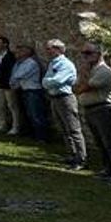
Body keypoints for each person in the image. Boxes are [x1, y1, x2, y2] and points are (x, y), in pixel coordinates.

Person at [75, 42, 111, 185]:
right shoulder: (91, 70)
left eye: (88, 53)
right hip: (91, 109)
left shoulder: (103, 71)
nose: (85, 56)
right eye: (83, 53)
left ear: (99, 54)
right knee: (101, 142)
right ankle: (109, 169)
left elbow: (83, 87)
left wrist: (84, 74)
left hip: (103, 109)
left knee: (110, 142)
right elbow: (76, 86)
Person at [42, 39, 86, 170]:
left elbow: (58, 80)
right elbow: (47, 80)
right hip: (55, 98)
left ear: (58, 49)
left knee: (73, 129)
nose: (47, 51)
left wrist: (47, 81)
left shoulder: (65, 64)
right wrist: (47, 81)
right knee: (63, 128)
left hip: (65, 98)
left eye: (49, 48)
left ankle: (81, 158)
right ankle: (71, 155)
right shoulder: (53, 64)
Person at [12, 44, 45, 140]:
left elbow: (19, 75)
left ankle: (41, 136)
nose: (19, 53)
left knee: (36, 114)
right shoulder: (21, 63)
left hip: (33, 90)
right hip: (25, 89)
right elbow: (15, 75)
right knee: (29, 113)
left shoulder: (31, 63)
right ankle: (33, 134)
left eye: (22, 51)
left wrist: (16, 77)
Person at [0, 36, 19, 134]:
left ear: (5, 44)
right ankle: (3, 124)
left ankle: (16, 126)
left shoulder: (11, 56)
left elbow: (11, 70)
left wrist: (5, 80)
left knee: (12, 106)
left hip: (8, 84)